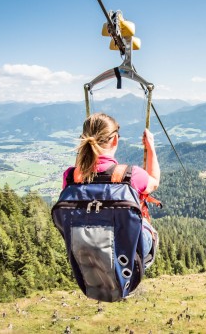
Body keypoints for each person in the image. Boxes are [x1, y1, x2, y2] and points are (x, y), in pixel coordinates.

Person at [62, 112, 159, 269]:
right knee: (149, 229)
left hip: (87, 250)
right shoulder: (130, 175)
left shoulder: (70, 176)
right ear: (115, 140)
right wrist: (151, 147)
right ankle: (136, 265)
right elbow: (154, 182)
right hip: (123, 250)